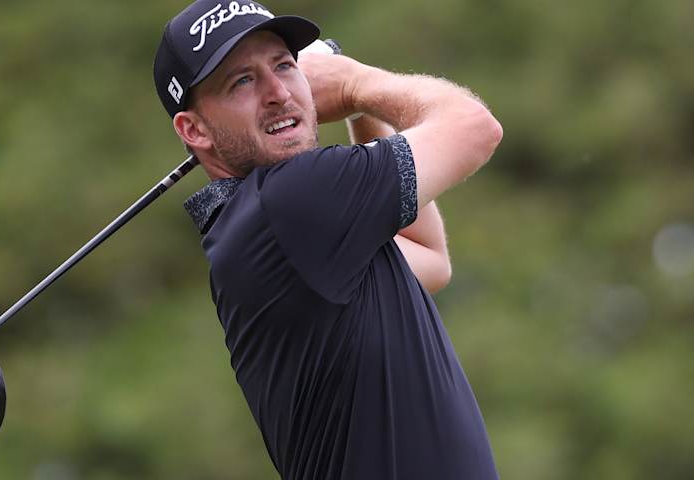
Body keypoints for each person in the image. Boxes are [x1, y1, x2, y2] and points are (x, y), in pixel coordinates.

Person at [153, 1, 503, 478]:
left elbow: (428, 259)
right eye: (243, 81)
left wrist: (360, 110)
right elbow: (475, 127)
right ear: (194, 129)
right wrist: (355, 82)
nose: (278, 92)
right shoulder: (292, 200)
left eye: (283, 66)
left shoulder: (266, 227)